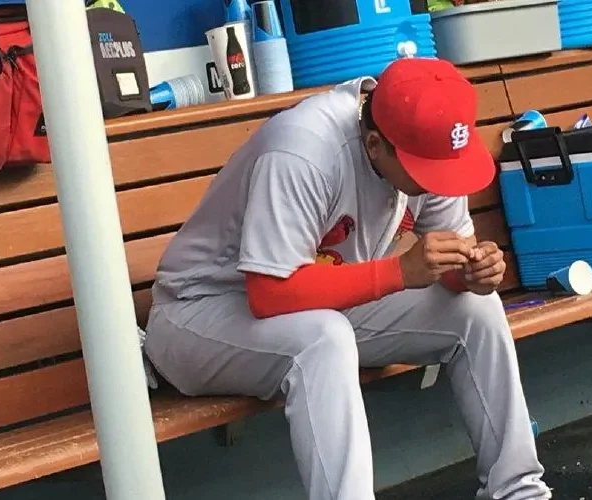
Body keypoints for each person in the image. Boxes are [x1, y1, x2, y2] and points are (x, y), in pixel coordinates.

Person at [145, 57, 552, 500]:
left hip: (322, 303)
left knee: (477, 310)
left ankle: (519, 490)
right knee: (325, 338)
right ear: (375, 144)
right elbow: (269, 294)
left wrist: (474, 274)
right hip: (199, 315)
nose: (436, 181)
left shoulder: (427, 140)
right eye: (424, 170)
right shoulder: (302, 149)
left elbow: (451, 275)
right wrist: (400, 271)